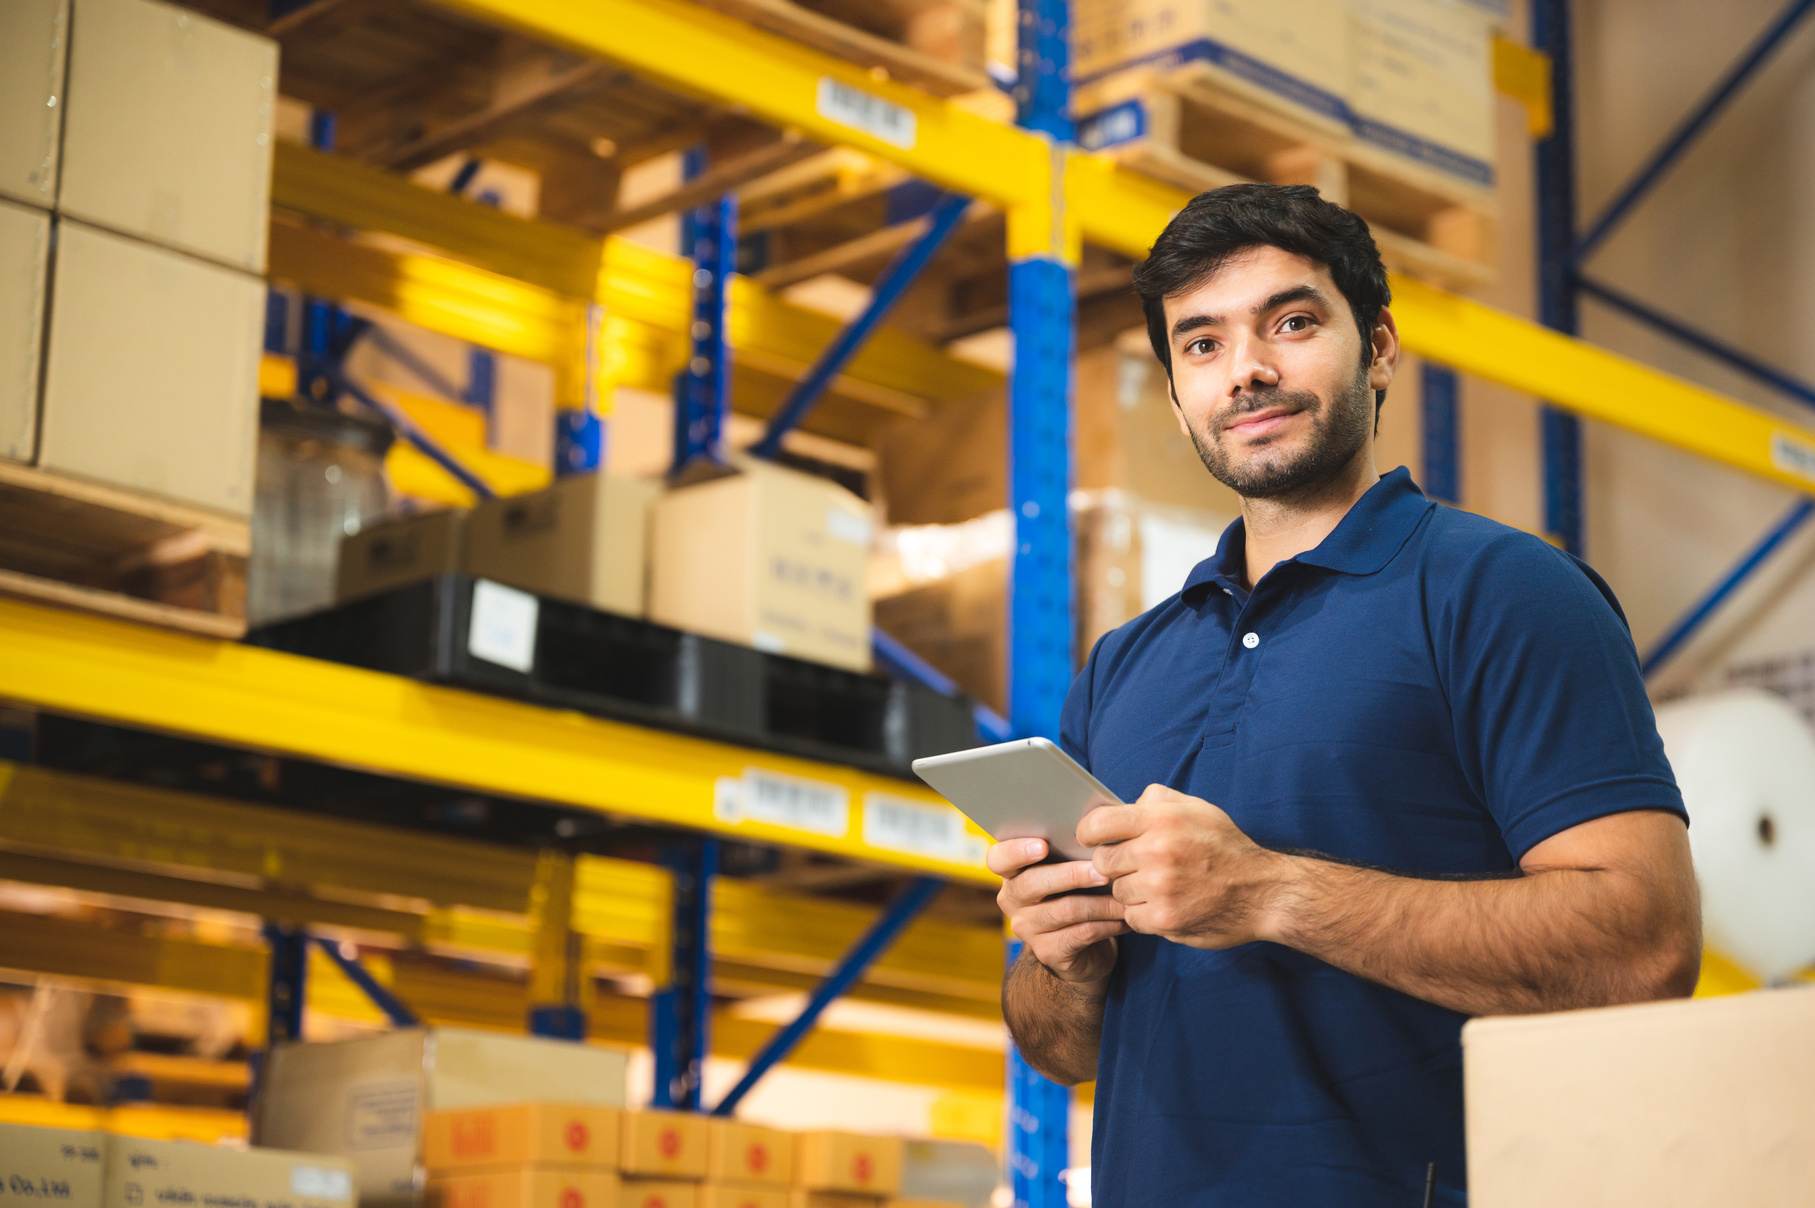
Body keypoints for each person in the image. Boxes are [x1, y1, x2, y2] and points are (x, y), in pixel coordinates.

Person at [988, 184, 1701, 1207]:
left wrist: (1268, 890)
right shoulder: (1123, 664)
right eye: (1201, 344)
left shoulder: (1504, 592)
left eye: (1291, 321)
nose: (1248, 370)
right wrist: (1067, 961)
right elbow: (1061, 1048)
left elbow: (1647, 945)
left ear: (1377, 348)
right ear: (1180, 388)